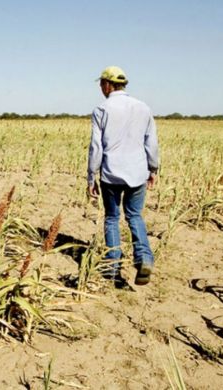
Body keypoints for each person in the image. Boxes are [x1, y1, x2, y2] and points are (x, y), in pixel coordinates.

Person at [87, 66, 159, 287]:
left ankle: (113, 266)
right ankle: (144, 258)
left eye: (101, 84)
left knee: (111, 218)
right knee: (134, 216)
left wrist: (91, 175)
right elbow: (151, 142)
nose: (101, 88)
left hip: (111, 174)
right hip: (137, 172)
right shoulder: (143, 107)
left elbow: (96, 147)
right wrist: (153, 168)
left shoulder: (102, 109)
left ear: (108, 84)